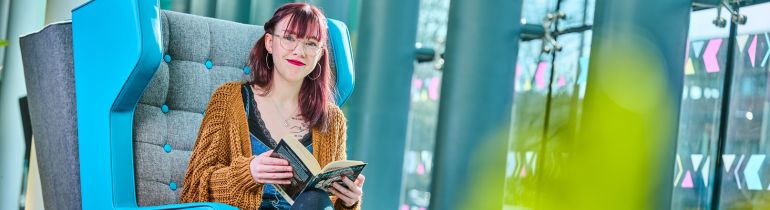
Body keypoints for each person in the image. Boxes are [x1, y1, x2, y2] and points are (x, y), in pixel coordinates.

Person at [180, 3, 364, 210]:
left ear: (320, 54)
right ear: (269, 42)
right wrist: (248, 173)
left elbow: (328, 203)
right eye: (289, 38)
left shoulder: (332, 119)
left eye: (311, 43)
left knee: (315, 199)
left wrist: (349, 202)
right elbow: (196, 186)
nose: (299, 51)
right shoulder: (229, 99)